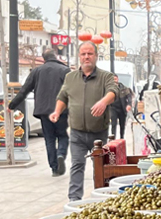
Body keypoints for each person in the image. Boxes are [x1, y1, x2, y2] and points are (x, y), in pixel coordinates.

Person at [49, 40, 119, 201]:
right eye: (83, 54)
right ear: (79, 56)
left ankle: (102, 197)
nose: (87, 57)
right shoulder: (70, 77)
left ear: (96, 56)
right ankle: (74, 200)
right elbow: (63, 96)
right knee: (77, 165)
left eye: (90, 54)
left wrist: (103, 102)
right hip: (77, 133)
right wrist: (57, 112)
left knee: (100, 168)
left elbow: (113, 91)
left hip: (99, 133)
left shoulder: (105, 76)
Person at [10, 50, 70, 176]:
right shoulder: (64, 70)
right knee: (63, 136)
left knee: (49, 139)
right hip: (61, 110)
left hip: (43, 111)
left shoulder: (37, 71)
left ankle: (54, 168)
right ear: (56, 57)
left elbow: (24, 90)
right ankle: (60, 154)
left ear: (44, 59)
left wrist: (12, 105)